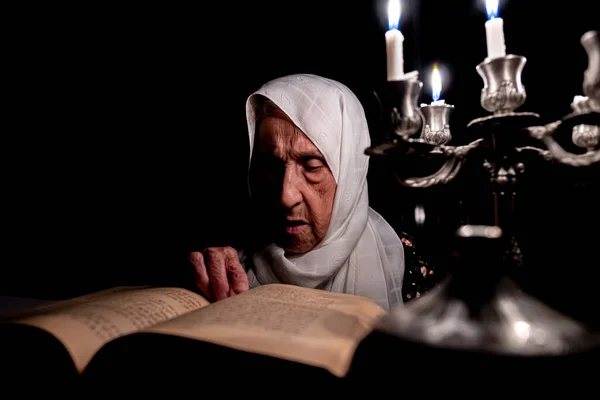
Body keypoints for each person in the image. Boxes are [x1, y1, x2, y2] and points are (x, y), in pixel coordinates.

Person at [190, 73, 440, 311]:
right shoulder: (235, 257)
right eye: (270, 168)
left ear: (349, 170)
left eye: (311, 167)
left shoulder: (404, 261)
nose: (286, 197)